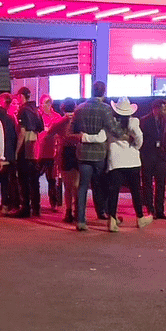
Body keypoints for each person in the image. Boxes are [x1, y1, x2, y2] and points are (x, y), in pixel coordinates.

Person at [70, 81, 120, 231]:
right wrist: (124, 134)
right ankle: (104, 213)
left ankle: (81, 220)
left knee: (83, 186)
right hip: (99, 153)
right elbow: (113, 128)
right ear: (104, 92)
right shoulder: (105, 109)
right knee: (101, 185)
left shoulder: (79, 108)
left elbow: (73, 129)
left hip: (83, 152)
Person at [104, 97, 151, 231]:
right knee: (136, 191)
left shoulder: (111, 123)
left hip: (116, 161)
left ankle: (112, 220)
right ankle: (140, 218)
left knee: (114, 191)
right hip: (132, 161)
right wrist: (135, 147)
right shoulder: (133, 122)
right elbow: (139, 138)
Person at [13, 87, 45, 217]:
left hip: (26, 147)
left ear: (21, 96)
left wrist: (16, 151)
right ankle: (36, 208)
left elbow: (22, 133)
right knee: (34, 179)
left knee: (23, 179)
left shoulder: (23, 110)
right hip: (35, 146)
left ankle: (25, 207)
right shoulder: (36, 110)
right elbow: (41, 128)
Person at [138, 99, 166, 219]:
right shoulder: (144, 121)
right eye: (164, 109)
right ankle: (150, 210)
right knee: (147, 184)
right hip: (148, 156)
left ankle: (160, 210)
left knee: (161, 184)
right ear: (156, 109)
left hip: (161, 157)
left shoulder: (164, 121)